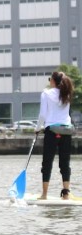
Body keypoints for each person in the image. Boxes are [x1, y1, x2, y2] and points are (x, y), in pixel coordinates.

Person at [35, 71, 74, 200]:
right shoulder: (67, 93)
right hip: (66, 131)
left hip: (52, 131)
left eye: (49, 79)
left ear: (52, 81)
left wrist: (38, 128)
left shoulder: (46, 93)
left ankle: (44, 194)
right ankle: (66, 194)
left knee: (47, 162)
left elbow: (42, 115)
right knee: (65, 163)